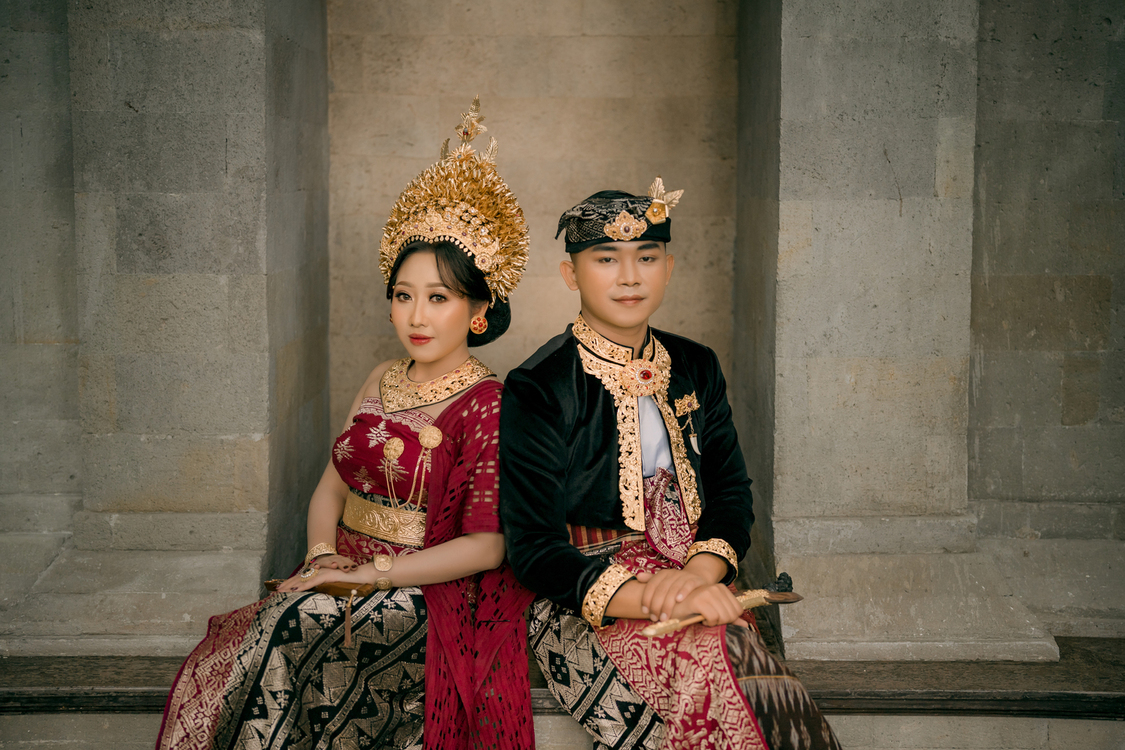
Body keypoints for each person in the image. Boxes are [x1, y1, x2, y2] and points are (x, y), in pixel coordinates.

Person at [156, 98, 535, 750]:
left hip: (431, 591)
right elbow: (330, 489)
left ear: (478, 312)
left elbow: (486, 549)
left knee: (290, 633)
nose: (416, 316)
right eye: (403, 295)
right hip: (342, 570)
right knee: (246, 642)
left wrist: (371, 576)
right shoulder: (380, 377)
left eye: (439, 298)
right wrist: (321, 555)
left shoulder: (488, 404)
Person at [498, 182, 842, 750]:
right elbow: (534, 549)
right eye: (606, 259)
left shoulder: (696, 366)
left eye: (647, 258)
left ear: (669, 267)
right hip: (585, 598)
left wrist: (698, 578)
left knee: (737, 661)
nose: (629, 277)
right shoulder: (539, 386)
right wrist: (656, 595)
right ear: (570, 274)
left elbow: (731, 492)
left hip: (693, 575)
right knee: (719, 655)